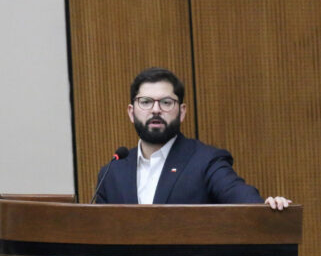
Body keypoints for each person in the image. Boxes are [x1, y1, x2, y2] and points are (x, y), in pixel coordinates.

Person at [95, 67, 291, 210]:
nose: (156, 109)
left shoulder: (205, 161)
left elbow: (237, 193)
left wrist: (266, 206)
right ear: (131, 112)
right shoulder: (113, 172)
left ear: (182, 112)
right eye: (145, 102)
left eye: (166, 102)